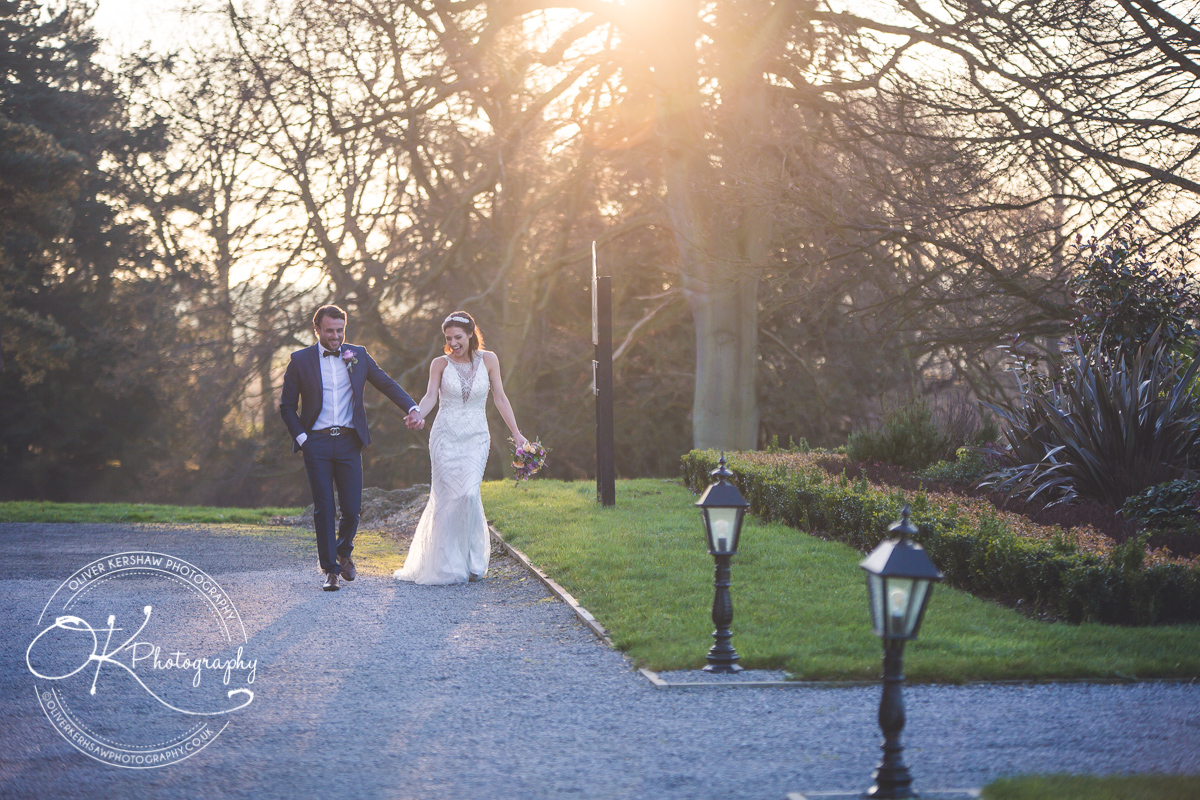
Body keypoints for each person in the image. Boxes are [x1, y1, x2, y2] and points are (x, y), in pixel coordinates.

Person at [280, 305, 424, 591]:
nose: (335, 336)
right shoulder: (300, 360)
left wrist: (412, 407)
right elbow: (286, 405)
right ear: (317, 329)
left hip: (348, 441)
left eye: (340, 330)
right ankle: (330, 570)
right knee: (324, 507)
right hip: (316, 442)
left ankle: (344, 551)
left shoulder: (357, 354)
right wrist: (302, 439)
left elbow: (386, 383)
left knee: (352, 508)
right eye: (329, 330)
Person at [395, 311, 526, 585]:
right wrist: (418, 414)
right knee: (449, 498)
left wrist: (517, 433)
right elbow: (431, 396)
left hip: (477, 437)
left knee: (468, 494)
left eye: (458, 337)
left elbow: (500, 397)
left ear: (470, 334)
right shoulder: (439, 364)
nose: (453, 343)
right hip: (445, 437)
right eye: (448, 338)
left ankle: (472, 560)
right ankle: (448, 564)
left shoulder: (489, 360)